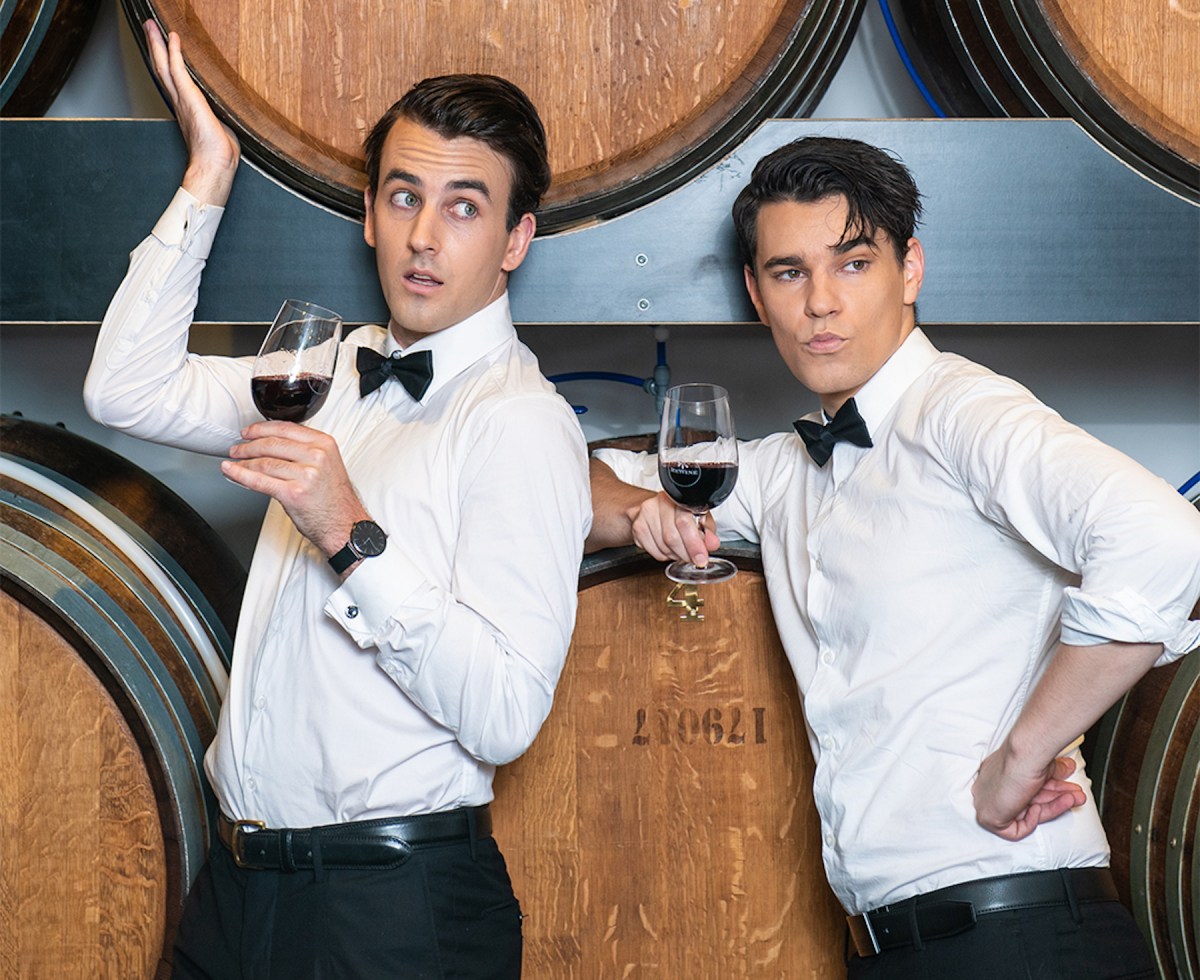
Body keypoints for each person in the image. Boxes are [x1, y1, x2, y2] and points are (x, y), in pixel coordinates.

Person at [586, 135, 1200, 979]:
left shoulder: (963, 412)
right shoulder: (781, 472)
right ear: (756, 295)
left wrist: (1023, 757)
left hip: (1021, 935)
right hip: (892, 947)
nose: (821, 305)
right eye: (790, 273)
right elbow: (566, 483)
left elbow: (1165, 537)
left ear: (910, 270)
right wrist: (642, 509)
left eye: (853, 264)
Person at [84, 21, 590, 978]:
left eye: (466, 207)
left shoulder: (519, 421)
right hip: (238, 893)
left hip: (391, 913)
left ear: (518, 238)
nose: (425, 236)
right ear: (369, 214)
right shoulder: (329, 371)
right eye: (404, 197)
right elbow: (124, 388)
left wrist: (349, 533)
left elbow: (507, 714)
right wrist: (209, 172)